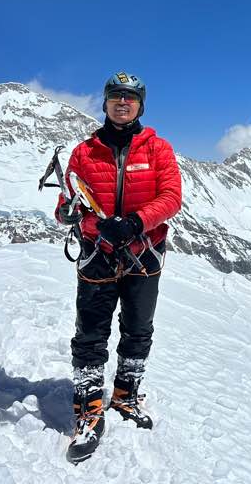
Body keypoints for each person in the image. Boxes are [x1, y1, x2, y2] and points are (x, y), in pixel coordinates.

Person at [54, 71, 182, 463]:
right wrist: (71, 215)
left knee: (138, 329)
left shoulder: (158, 149)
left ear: (140, 106)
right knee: (90, 333)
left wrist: (135, 223)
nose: (122, 103)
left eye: (130, 98)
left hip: (144, 251)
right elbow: (67, 204)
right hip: (99, 252)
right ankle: (89, 408)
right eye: (115, 97)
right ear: (106, 103)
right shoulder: (84, 152)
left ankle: (126, 393)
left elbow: (171, 197)